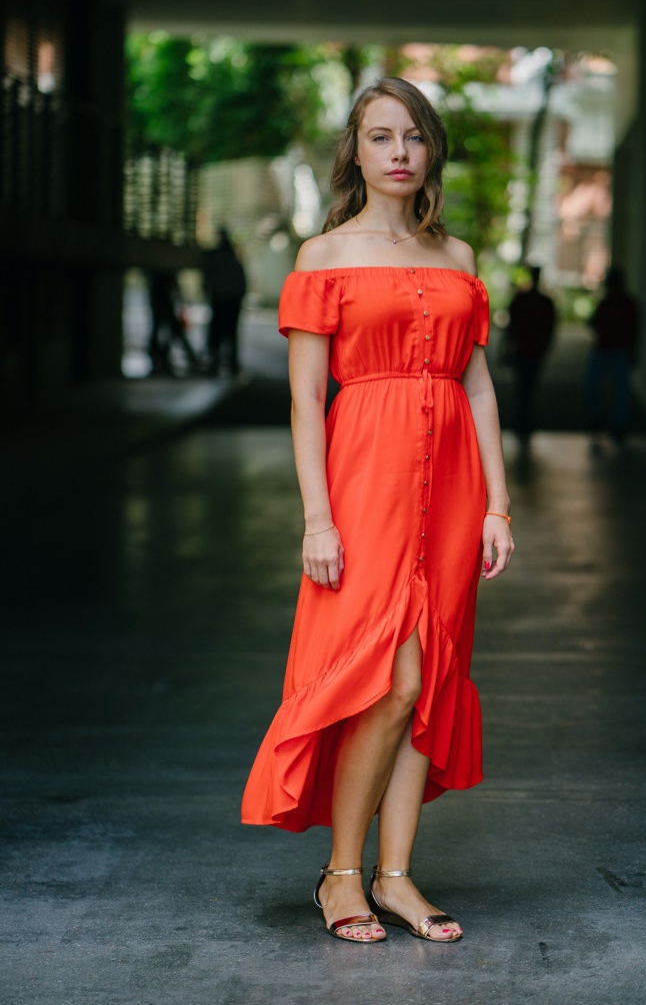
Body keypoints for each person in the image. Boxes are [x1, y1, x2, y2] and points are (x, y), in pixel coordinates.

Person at [241, 77, 514, 945]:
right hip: (364, 481)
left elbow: (477, 386)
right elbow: (303, 399)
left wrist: (499, 505)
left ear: (430, 150)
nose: (399, 152)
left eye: (414, 137)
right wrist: (317, 519)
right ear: (354, 153)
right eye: (380, 137)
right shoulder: (322, 258)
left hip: (454, 490)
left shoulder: (460, 256)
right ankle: (341, 873)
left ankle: (397, 876)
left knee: (430, 680)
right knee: (386, 680)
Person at [586, 267, 641, 445]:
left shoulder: (629, 304)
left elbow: (635, 330)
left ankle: (617, 425)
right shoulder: (606, 303)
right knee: (590, 384)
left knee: (621, 391)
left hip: (620, 351)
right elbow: (594, 323)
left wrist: (633, 351)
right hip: (602, 349)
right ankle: (598, 414)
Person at [505, 265, 556, 454]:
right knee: (527, 384)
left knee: (524, 384)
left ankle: (522, 418)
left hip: (529, 348)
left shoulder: (526, 300)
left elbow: (512, 327)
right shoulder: (540, 301)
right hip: (529, 348)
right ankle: (524, 418)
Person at [202, 230, 247, 375]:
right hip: (231, 302)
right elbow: (242, 284)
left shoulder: (214, 261)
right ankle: (231, 364)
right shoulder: (234, 262)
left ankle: (214, 363)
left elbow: (207, 282)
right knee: (231, 334)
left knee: (216, 333)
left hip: (219, 301)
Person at [147, 271, 198, 376]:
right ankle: (189, 357)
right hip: (163, 307)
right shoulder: (163, 278)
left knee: (164, 331)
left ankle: (159, 357)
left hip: (161, 307)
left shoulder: (158, 279)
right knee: (172, 331)